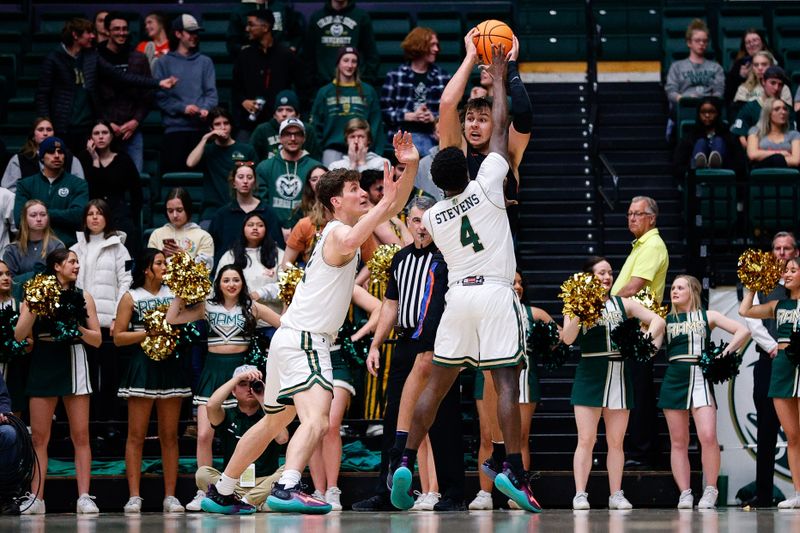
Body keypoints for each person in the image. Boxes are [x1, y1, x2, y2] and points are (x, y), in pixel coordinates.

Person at [202, 131, 418, 515]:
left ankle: (222, 490)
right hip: (306, 341)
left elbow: (390, 211)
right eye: (354, 188)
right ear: (337, 201)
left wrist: (411, 166)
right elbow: (370, 223)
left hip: (288, 339)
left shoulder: (343, 230)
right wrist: (385, 200)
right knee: (318, 419)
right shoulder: (337, 232)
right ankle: (287, 486)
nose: (361, 192)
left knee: (272, 425)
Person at [388, 46, 540, 513]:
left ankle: (405, 458)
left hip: (458, 295)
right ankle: (512, 466)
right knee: (507, 380)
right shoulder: (491, 180)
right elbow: (499, 131)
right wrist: (498, 74)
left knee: (435, 382)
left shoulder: (432, 216)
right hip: (496, 291)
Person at [353, 196, 463, 512]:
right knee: (393, 420)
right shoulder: (400, 259)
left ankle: (453, 494)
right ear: (408, 222)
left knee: (444, 419)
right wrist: (375, 344)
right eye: (415, 220)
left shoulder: (447, 259)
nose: (421, 227)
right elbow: (390, 304)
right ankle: (386, 492)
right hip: (404, 345)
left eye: (427, 220)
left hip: (439, 347)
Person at [167, 264, 281, 511]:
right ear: (218, 284)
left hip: (240, 373)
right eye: (226, 280)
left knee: (245, 432)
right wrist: (180, 290)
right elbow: (172, 318)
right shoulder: (207, 306)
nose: (231, 284)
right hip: (213, 372)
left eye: (236, 280)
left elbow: (283, 325)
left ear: (242, 283)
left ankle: (237, 485)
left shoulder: (252, 307)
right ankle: (205, 492)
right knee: (205, 435)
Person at [562, 257, 666, 510]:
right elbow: (567, 338)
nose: (607, 277)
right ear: (588, 277)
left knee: (616, 442)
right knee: (586, 439)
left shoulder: (624, 303)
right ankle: (580, 494)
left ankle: (616, 494)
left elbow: (659, 321)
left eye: (609, 273)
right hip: (590, 375)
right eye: (601, 273)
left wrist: (643, 342)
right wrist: (579, 309)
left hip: (619, 375)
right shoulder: (574, 303)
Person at [16, 249, 103, 515]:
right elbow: (20, 334)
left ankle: (85, 497)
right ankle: (37, 497)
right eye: (72, 261)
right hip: (44, 360)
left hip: (74, 358)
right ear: (57, 266)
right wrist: (32, 306)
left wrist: (75, 326)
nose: (77, 266)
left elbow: (97, 339)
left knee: (80, 435)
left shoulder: (83, 296)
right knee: (40, 437)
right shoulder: (36, 293)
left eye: (77, 261)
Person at [469, 270, 557, 510]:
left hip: (524, 377)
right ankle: (484, 494)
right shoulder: (486, 310)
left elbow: (559, 338)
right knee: (486, 435)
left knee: (519, 437)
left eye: (520, 283)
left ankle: (519, 491)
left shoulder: (534, 313)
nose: (517, 286)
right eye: (512, 282)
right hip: (486, 373)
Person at [114, 248, 192, 513]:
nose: (164, 267)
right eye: (159, 263)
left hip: (170, 366)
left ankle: (170, 496)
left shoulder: (174, 295)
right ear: (147, 269)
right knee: (136, 435)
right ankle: (134, 496)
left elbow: (187, 324)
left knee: (169, 436)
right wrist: (150, 333)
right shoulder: (131, 297)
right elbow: (118, 337)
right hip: (142, 367)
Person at [663, 275, 748, 509]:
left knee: (708, 436)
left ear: (693, 290)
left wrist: (725, 353)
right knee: (679, 441)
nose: (675, 291)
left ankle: (710, 489)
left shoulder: (708, 316)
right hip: (674, 379)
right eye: (673, 288)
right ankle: (685, 493)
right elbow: (649, 348)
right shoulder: (665, 319)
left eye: (680, 287)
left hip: (700, 378)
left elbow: (742, 331)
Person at [35, 18, 175, 155]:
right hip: (62, 127)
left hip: (87, 128)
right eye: (88, 33)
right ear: (75, 35)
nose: (92, 36)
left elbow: (121, 76)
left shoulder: (91, 56)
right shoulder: (54, 59)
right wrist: (47, 125)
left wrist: (158, 83)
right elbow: (43, 94)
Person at [438, 31, 531, 237]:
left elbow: (523, 114)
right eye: (470, 119)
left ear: (496, 123)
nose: (474, 125)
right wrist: (470, 58)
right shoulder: (458, 152)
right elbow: (446, 104)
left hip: (501, 256)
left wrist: (511, 67)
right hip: (462, 258)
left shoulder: (510, 156)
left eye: (482, 120)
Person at [306, 287, 382, 510]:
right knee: (313, 426)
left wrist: (357, 336)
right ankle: (318, 490)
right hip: (310, 359)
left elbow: (380, 308)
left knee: (331, 425)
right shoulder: (303, 283)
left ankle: (332, 489)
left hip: (337, 358)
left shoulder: (348, 285)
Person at [610, 196, 669, 471]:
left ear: (652, 218)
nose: (632, 218)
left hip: (641, 330)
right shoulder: (642, 245)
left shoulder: (653, 245)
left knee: (640, 392)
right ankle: (641, 449)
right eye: (630, 213)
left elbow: (634, 287)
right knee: (636, 390)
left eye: (638, 213)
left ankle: (644, 452)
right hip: (633, 328)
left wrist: (604, 303)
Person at [740, 231, 797, 507]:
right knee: (766, 428)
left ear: (796, 252)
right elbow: (751, 319)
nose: (783, 252)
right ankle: (764, 493)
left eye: (788, 248)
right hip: (768, 360)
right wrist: (775, 347)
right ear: (771, 252)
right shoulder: (763, 284)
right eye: (778, 248)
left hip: (796, 362)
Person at [70, 200, 132, 441]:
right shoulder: (75, 248)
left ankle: (109, 423)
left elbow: (125, 282)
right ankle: (87, 426)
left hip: (108, 323)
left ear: (107, 218)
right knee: (84, 377)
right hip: (83, 325)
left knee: (109, 376)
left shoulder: (119, 248)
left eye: (99, 213)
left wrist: (119, 316)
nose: (94, 218)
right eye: (90, 214)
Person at [196, 365, 285, 512]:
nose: (249, 389)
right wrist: (237, 377)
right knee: (202, 473)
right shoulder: (227, 415)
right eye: (243, 384)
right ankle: (257, 502)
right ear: (233, 391)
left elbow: (282, 438)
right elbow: (211, 405)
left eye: (253, 384)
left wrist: (264, 398)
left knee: (289, 470)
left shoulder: (269, 414)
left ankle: (245, 501)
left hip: (265, 482)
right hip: (233, 484)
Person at [153, 14, 219, 174]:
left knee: (201, 179)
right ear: (178, 34)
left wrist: (205, 109)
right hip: (174, 131)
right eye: (190, 32)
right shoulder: (163, 62)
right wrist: (183, 108)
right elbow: (160, 97)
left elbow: (211, 94)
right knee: (173, 179)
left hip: (200, 131)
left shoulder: (205, 62)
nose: (194, 36)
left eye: (196, 32)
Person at [232, 10, 306, 141]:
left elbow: (304, 87)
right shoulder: (244, 56)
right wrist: (244, 101)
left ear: (265, 27)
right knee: (241, 157)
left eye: (251, 24)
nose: (247, 28)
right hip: (249, 124)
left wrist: (289, 111)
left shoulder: (286, 56)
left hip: (280, 125)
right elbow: (235, 88)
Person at [96, 12, 153, 172]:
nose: (121, 33)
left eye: (124, 29)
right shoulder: (96, 58)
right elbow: (93, 94)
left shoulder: (139, 58)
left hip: (132, 131)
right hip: (105, 130)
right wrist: (106, 122)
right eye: (116, 29)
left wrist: (136, 121)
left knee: (136, 178)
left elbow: (147, 94)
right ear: (107, 31)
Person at [77, 120, 143, 257]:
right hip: (93, 215)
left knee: (126, 253)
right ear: (90, 138)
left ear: (112, 136)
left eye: (105, 133)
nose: (101, 136)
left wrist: (133, 219)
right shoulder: (83, 159)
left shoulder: (123, 159)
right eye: (96, 133)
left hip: (119, 214)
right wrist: (95, 160)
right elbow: (93, 191)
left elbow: (137, 192)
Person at [381, 27, 449, 157]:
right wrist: (409, 116)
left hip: (433, 137)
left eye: (437, 45)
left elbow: (452, 112)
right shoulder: (396, 75)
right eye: (432, 45)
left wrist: (433, 118)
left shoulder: (442, 77)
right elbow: (385, 113)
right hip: (402, 137)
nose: (436, 49)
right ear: (419, 46)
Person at [311, 46, 385, 165]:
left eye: (354, 61)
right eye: (345, 60)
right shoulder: (325, 92)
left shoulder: (368, 91)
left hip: (362, 149)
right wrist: (320, 151)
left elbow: (376, 125)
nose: (350, 65)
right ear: (338, 63)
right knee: (332, 183)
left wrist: (374, 151)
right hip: (332, 150)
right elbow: (316, 126)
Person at [14, 137, 89, 248]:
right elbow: (19, 220)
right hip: (32, 248)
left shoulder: (78, 184)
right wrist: (62, 215)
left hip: (67, 248)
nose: (57, 155)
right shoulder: (26, 184)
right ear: (42, 157)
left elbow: (78, 216)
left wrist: (42, 214)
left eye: (60, 152)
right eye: (50, 151)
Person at [185, 107, 257, 220]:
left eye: (226, 123)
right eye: (217, 124)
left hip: (240, 209)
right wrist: (205, 138)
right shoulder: (207, 150)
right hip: (212, 211)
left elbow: (255, 182)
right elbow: (190, 163)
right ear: (211, 128)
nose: (223, 128)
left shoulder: (247, 149)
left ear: (231, 126)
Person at [208, 163, 285, 266]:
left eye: (249, 177)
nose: (245, 181)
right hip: (229, 271)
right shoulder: (222, 215)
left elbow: (277, 247)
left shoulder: (268, 213)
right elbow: (213, 249)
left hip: (263, 270)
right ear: (233, 183)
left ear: (254, 183)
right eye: (240, 177)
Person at [255, 118, 323, 233]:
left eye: (297, 134)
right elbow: (260, 204)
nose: (293, 138)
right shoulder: (264, 167)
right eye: (288, 134)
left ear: (304, 138)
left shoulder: (315, 168)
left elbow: (319, 202)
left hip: (308, 229)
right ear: (280, 138)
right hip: (271, 230)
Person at [216, 213, 284, 316]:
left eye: (260, 225)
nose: (255, 228)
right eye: (250, 225)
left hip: (271, 319)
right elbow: (218, 285)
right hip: (237, 318)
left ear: (266, 229)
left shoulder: (279, 254)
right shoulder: (230, 256)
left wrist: (261, 293)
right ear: (243, 229)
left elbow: (287, 286)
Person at [304, 0, 380, 89]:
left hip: (354, 86)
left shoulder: (361, 17)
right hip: (322, 85)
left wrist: (365, 82)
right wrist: (312, 84)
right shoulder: (316, 17)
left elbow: (372, 55)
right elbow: (308, 56)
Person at [2, 117, 84, 193]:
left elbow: (80, 188)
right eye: (40, 130)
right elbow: (8, 191)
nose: (45, 133)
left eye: (49, 130)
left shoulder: (69, 158)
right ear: (33, 136)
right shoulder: (20, 159)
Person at [672, 97, 745, 180]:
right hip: (696, 179)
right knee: (701, 143)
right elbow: (678, 165)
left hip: (722, 179)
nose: (707, 115)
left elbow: (740, 164)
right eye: (703, 112)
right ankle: (699, 163)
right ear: (698, 114)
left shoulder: (728, 135)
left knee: (718, 142)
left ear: (718, 113)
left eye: (711, 112)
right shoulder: (691, 136)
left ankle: (716, 163)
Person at [664, 19, 724, 114]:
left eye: (705, 41)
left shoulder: (716, 67)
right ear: (689, 43)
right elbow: (671, 92)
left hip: (709, 109)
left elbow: (719, 92)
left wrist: (707, 102)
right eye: (697, 41)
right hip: (685, 107)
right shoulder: (676, 67)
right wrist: (685, 99)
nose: (701, 44)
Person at [147, 188, 214, 269]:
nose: (175, 215)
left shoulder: (204, 236)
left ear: (188, 209)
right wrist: (162, 257)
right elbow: (148, 268)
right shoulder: (157, 234)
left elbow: (205, 270)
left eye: (179, 210)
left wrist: (183, 257)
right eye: (170, 211)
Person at [3, 200, 64, 288]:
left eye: (43, 215)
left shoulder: (57, 246)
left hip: (51, 296)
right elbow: (10, 282)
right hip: (20, 297)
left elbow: (61, 278)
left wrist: (26, 277)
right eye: (33, 215)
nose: (39, 219)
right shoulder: (12, 250)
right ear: (25, 219)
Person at [732, 66, 797, 148]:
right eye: (772, 83)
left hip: (782, 152)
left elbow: (793, 138)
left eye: (780, 84)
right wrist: (753, 151)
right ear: (763, 81)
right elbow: (741, 135)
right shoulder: (750, 107)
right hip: (755, 153)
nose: (776, 88)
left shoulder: (786, 109)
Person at [250, 90, 322, 162]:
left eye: (289, 110)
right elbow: (252, 159)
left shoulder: (307, 130)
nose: (284, 114)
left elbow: (316, 160)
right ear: (274, 115)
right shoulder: (262, 130)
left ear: (297, 116)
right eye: (280, 110)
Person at [226, 0, 304, 60]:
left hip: (279, 60)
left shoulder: (281, 8)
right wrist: (243, 49)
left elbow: (297, 33)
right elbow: (232, 41)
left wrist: (293, 48)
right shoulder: (240, 10)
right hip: (251, 61)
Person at [725, 29, 781, 105]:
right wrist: (740, 77)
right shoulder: (739, 64)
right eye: (748, 42)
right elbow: (729, 94)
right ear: (744, 46)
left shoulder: (775, 59)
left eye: (755, 40)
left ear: (763, 43)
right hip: (747, 101)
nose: (751, 44)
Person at [747, 97, 800, 168]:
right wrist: (780, 153)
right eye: (777, 109)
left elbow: (795, 161)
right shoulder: (755, 131)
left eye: (785, 109)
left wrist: (763, 156)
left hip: (786, 173)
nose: (783, 112)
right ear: (768, 113)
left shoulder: (794, 134)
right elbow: (752, 155)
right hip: (762, 172)